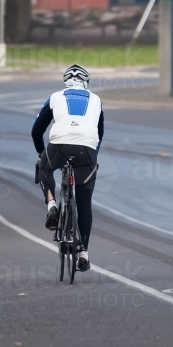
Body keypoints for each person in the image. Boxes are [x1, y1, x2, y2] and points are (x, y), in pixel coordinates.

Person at [32, 64, 104, 272]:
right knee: (84, 201)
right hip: (87, 148)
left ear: (65, 83)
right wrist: (91, 157)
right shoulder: (96, 100)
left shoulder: (55, 97)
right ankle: (83, 253)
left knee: (44, 167)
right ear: (86, 83)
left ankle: (52, 206)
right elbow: (99, 134)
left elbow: (36, 131)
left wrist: (41, 153)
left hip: (59, 144)